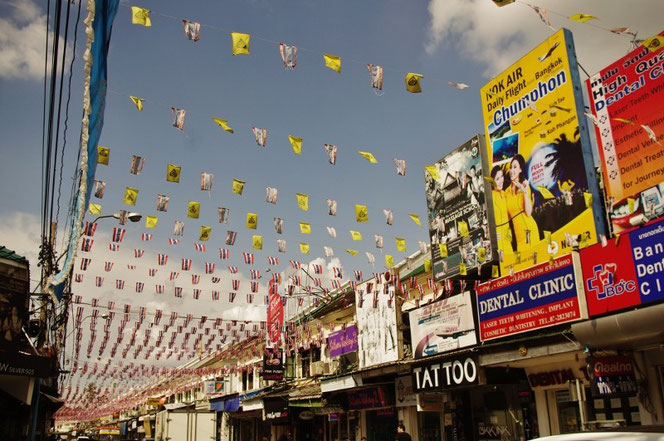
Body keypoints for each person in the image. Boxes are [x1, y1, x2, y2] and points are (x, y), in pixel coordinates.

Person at [505, 154, 539, 251]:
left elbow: (528, 212)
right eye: (511, 167)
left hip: (529, 231)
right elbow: (507, 216)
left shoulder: (525, 186)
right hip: (518, 237)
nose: (512, 170)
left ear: (520, 170)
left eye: (515, 167)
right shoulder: (506, 192)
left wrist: (524, 192)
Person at [491, 165, 514, 256]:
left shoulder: (505, 194)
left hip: (507, 239)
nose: (501, 180)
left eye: (502, 177)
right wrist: (493, 235)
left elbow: (509, 214)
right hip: (498, 240)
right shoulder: (491, 197)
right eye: (497, 179)